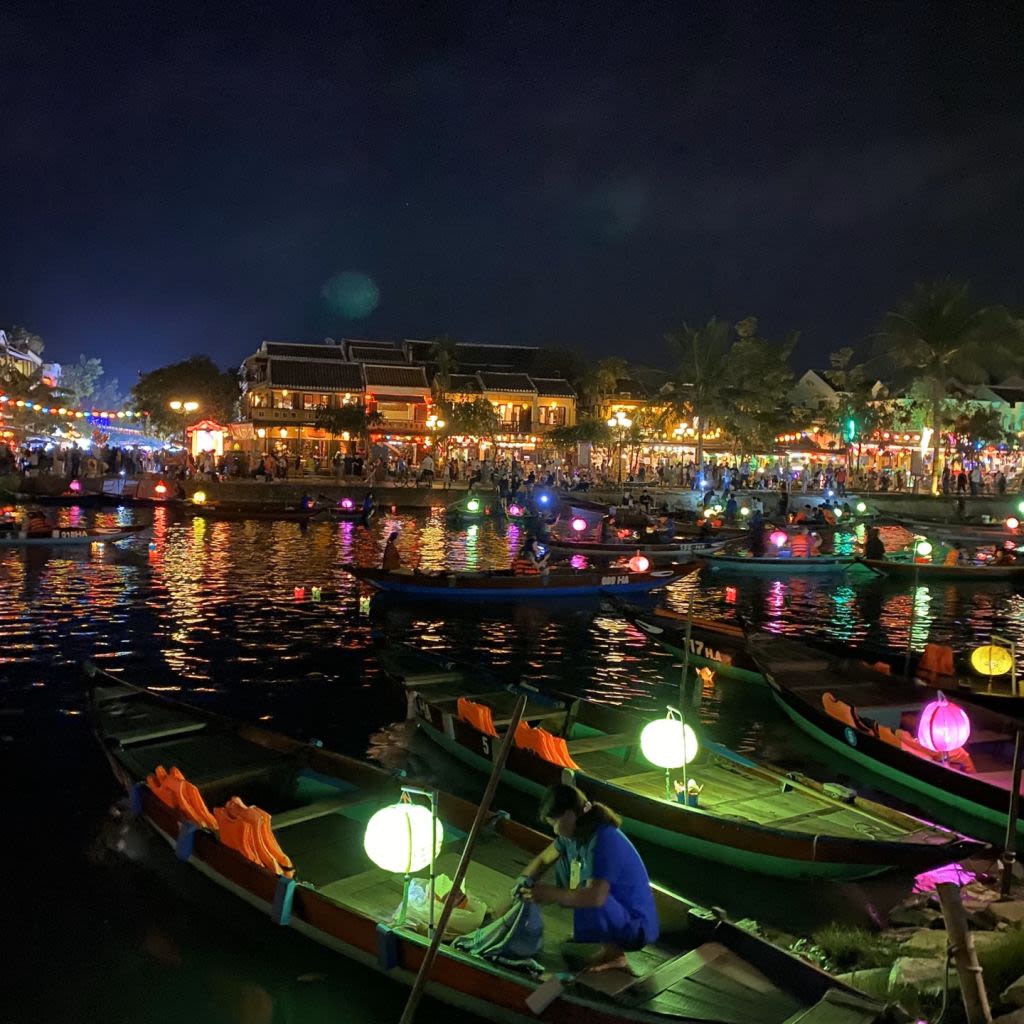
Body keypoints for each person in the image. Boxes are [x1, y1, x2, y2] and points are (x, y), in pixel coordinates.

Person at [513, 784, 659, 972]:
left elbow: (595, 896)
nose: (555, 831)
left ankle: (615, 955)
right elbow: (543, 860)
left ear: (568, 814)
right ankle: (597, 935)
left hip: (636, 926)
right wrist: (524, 880)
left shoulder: (603, 839)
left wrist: (549, 893)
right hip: (612, 908)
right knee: (565, 861)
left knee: (590, 894)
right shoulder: (574, 832)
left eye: (555, 823)